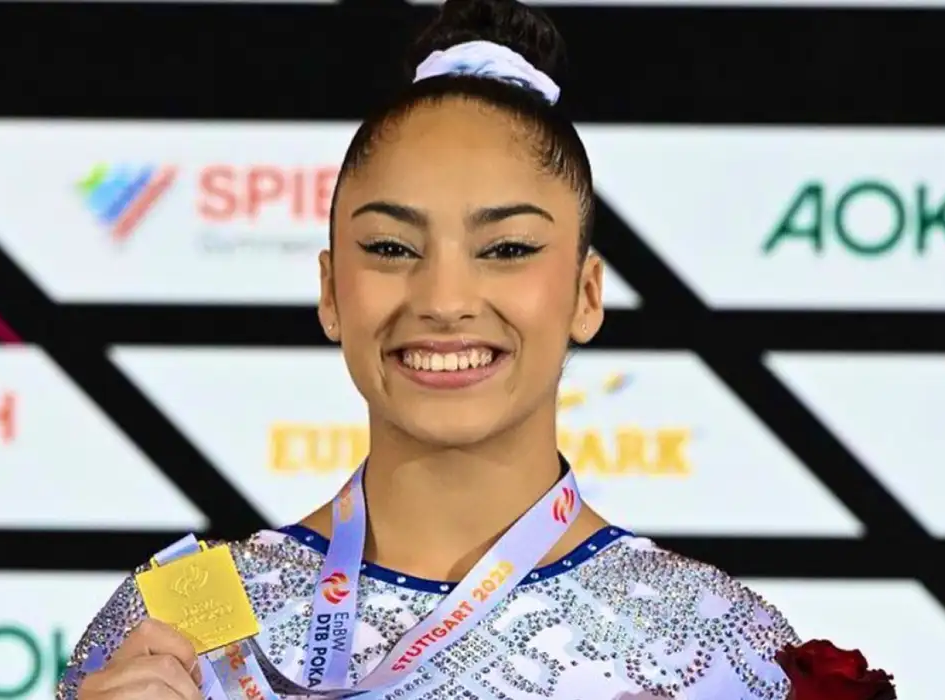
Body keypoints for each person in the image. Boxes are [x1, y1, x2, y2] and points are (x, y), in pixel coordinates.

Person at [60, 0, 800, 698]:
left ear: (586, 294)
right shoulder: (185, 621)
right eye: (390, 246)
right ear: (329, 290)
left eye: (507, 248)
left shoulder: (724, 646)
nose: (444, 301)